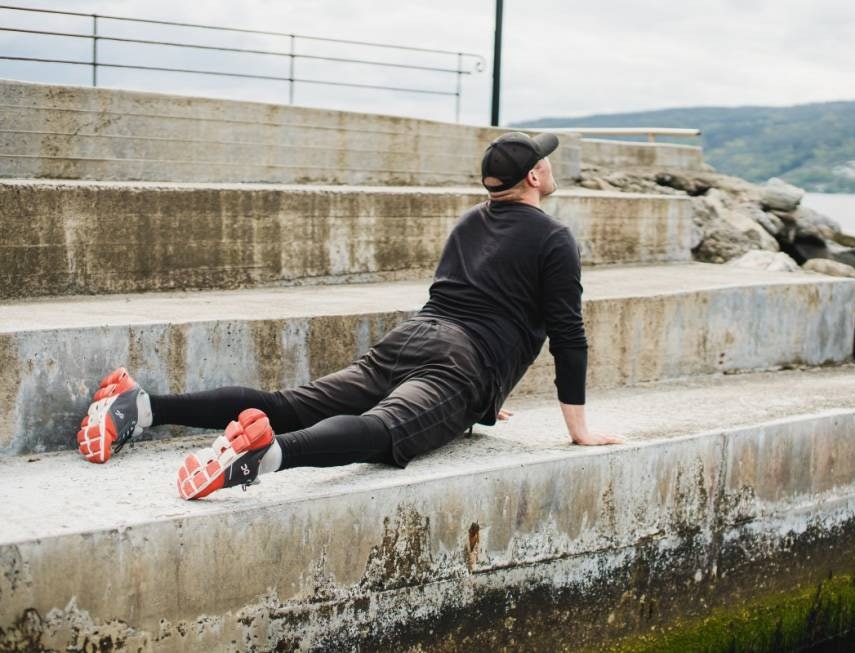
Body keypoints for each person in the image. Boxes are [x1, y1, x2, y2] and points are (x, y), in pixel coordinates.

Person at [75, 132, 624, 500]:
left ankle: (140, 407)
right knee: (384, 431)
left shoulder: (468, 223)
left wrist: (482, 400)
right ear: (532, 177)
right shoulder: (554, 238)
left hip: (411, 341)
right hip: (461, 363)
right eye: (543, 160)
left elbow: (464, 298)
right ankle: (264, 457)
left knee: (287, 404)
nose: (549, 165)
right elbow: (567, 336)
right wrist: (577, 430)